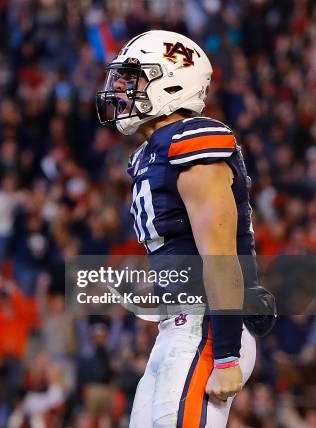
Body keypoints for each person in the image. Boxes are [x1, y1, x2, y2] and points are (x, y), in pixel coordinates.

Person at [95, 30, 275, 427]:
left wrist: (226, 356)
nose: (122, 91)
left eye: (134, 79)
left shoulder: (192, 142)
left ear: (172, 82)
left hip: (207, 328)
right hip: (176, 329)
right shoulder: (153, 153)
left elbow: (221, 256)